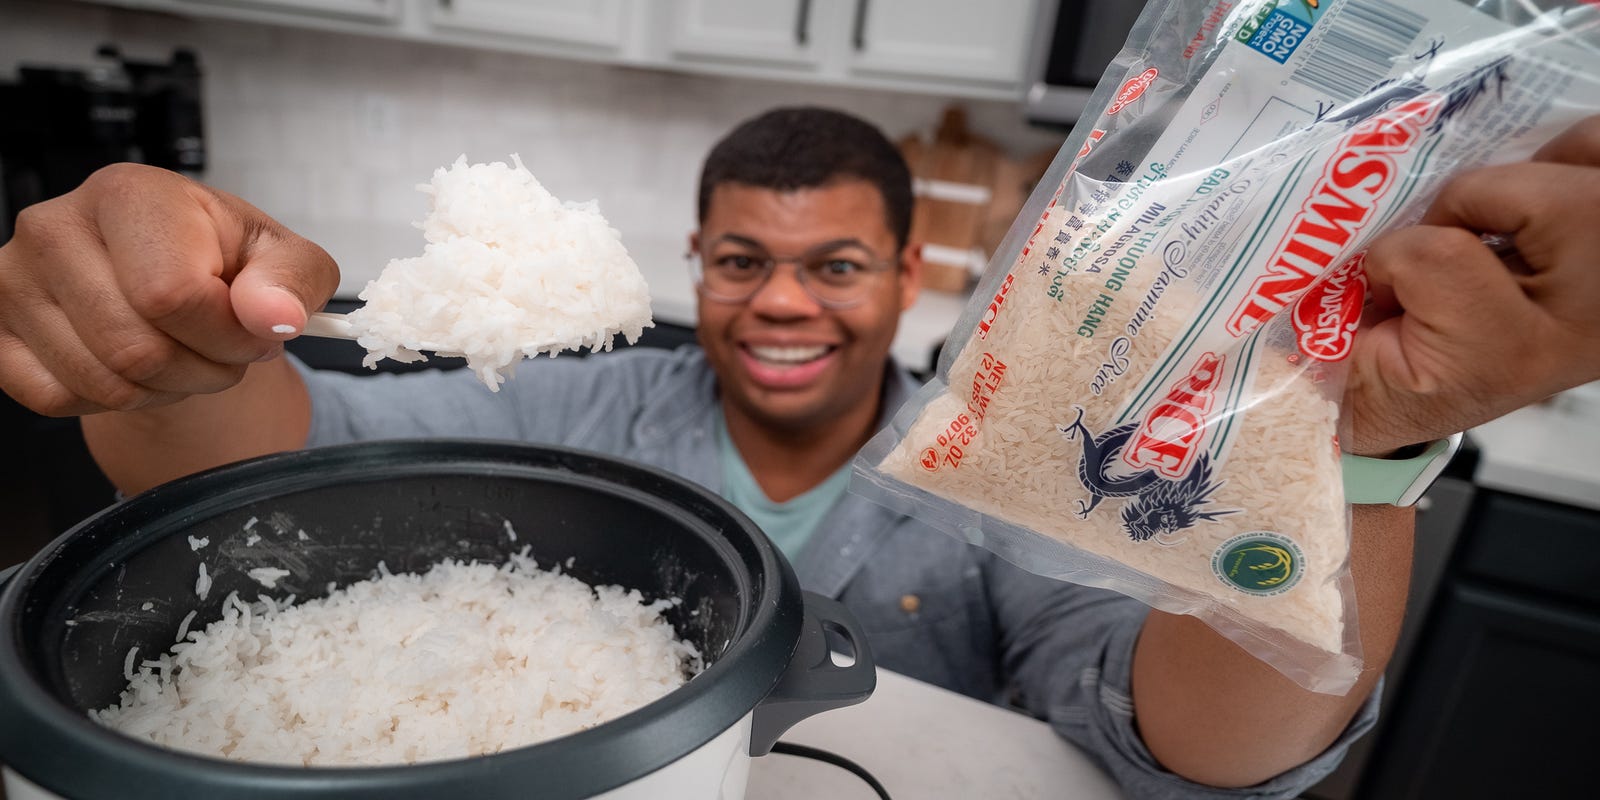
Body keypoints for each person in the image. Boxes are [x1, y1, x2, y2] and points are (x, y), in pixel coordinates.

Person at [1, 105, 1597, 797]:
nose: (781, 303)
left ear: (911, 281)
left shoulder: (1007, 472)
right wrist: (168, 342)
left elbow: (1207, 757)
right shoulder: (584, 416)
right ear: (688, 266)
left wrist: (1360, 452)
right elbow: (256, 477)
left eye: (836, 265)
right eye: (737, 260)